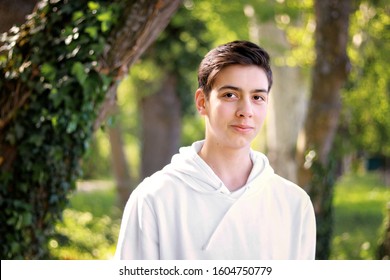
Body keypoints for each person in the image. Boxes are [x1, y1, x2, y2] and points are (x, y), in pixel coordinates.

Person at [115, 40, 316, 260]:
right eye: (230, 95)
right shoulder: (154, 198)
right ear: (202, 102)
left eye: (257, 97)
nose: (246, 111)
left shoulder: (294, 203)